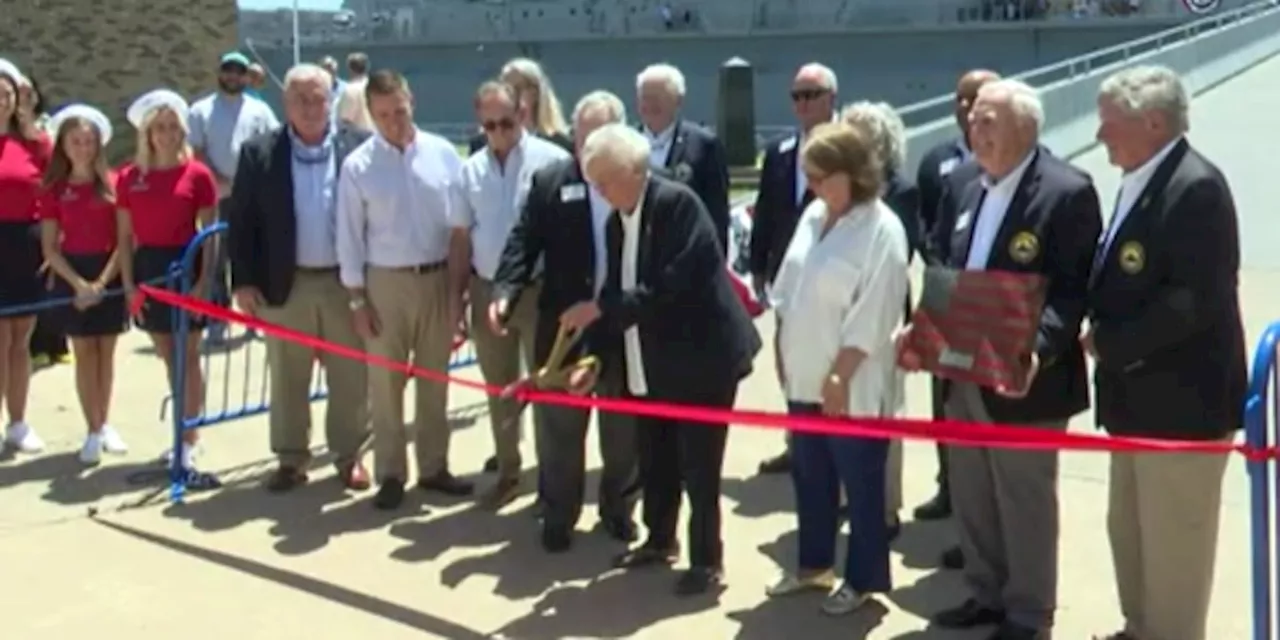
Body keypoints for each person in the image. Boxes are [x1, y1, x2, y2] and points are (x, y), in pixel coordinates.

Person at [897, 79, 1101, 640]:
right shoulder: (963, 185)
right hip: (960, 370)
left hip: (1025, 379)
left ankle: (1029, 614)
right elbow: (944, 274)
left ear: (1025, 129)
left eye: (988, 121)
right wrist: (918, 334)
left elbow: (1072, 291)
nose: (974, 130)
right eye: (973, 120)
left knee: (1023, 498)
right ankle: (986, 593)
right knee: (972, 489)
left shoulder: (1067, 191)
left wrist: (1039, 348)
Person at [562, 123, 762, 595]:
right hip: (649, 358)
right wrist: (592, 357)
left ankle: (707, 560)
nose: (599, 190)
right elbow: (617, 290)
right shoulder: (616, 221)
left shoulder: (678, 206)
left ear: (633, 171)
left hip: (702, 357)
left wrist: (602, 310)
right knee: (655, 456)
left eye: (604, 180)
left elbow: (674, 285)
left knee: (700, 465)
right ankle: (659, 537)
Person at [1086, 65, 1245, 640]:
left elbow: (1193, 302)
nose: (1100, 135)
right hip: (1137, 403)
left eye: (1110, 124)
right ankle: (1139, 629)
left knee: (1174, 549)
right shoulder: (1142, 178)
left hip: (1181, 408)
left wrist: (1108, 343)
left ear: (1153, 122)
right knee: (1130, 534)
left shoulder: (1194, 187)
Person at [764, 121, 907, 615]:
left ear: (854, 173)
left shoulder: (882, 229)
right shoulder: (812, 216)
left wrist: (839, 375)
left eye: (823, 176)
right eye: (810, 176)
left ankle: (864, 578)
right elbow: (786, 290)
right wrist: (784, 354)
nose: (814, 187)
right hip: (803, 376)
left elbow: (877, 314)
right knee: (811, 477)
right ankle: (812, 566)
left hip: (855, 384)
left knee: (862, 484)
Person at [491, 91, 641, 552]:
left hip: (618, 324)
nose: (589, 145)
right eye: (582, 135)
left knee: (622, 431)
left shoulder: (637, 183)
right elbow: (522, 242)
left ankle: (618, 510)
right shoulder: (551, 181)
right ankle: (558, 514)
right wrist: (504, 293)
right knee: (558, 431)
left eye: (599, 135)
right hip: (564, 327)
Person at [226, 63, 374, 494]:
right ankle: (291, 459)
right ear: (285, 103)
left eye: (318, 98)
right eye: (300, 99)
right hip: (284, 283)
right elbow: (243, 222)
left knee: (351, 374)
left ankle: (349, 456)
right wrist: (244, 281)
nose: (310, 107)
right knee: (288, 375)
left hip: (345, 282)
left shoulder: (358, 147)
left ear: (332, 101)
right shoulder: (259, 152)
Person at [337, 69, 471, 510]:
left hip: (436, 278)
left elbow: (459, 227)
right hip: (384, 283)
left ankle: (434, 467)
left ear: (411, 100)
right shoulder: (357, 167)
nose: (393, 121)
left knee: (435, 379)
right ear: (371, 115)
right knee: (385, 383)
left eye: (399, 110)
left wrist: (459, 293)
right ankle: (391, 472)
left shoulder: (443, 155)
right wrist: (356, 299)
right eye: (382, 115)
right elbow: (350, 239)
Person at [446, 80, 571, 507]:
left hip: (538, 292)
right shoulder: (470, 171)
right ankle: (507, 470)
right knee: (498, 387)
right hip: (485, 288)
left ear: (523, 114)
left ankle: (550, 481)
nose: (498, 133)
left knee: (544, 386)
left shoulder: (553, 161)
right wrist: (456, 302)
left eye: (506, 122)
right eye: (489, 125)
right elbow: (460, 239)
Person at [117, 89, 220, 480]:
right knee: (166, 354)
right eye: (158, 128)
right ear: (147, 134)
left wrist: (204, 283)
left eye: (172, 127)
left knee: (188, 356)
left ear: (182, 132)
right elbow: (125, 238)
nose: (166, 134)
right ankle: (181, 430)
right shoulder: (130, 177)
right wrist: (129, 285)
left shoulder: (198, 175)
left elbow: (210, 234)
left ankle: (190, 439)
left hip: (188, 264)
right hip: (150, 269)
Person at [913, 68, 1001, 523]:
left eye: (977, 98)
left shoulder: (1013, 159)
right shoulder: (937, 162)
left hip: (993, 309)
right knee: (945, 402)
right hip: (946, 299)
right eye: (961, 99)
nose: (967, 108)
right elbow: (928, 226)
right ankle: (949, 485)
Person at [749, 62, 839, 475]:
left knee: (834, 365)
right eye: (796, 96)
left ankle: (834, 446)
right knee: (792, 363)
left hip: (837, 278)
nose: (802, 104)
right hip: (790, 277)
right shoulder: (780, 152)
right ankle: (798, 440)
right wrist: (757, 267)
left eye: (811, 95)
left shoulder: (849, 146)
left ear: (830, 98)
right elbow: (765, 212)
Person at [839, 100, 921, 536]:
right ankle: (850, 498)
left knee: (884, 411)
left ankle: (885, 507)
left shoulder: (901, 192)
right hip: (838, 315)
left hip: (884, 314)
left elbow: (900, 256)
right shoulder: (837, 191)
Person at [38, 105, 130, 464]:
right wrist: (79, 284)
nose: (83, 147)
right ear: (63, 145)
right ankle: (90, 429)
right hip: (71, 274)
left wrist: (103, 282)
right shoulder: (54, 190)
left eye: (89, 141)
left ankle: (105, 422)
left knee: (106, 355)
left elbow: (125, 239)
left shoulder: (113, 184)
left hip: (108, 273)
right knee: (83, 355)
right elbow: (49, 247)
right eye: (76, 141)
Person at [187, 51, 280, 345]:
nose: (233, 76)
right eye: (228, 70)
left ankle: (257, 318)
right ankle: (217, 317)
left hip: (253, 196)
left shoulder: (259, 110)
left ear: (245, 76)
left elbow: (273, 145)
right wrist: (220, 178)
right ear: (219, 73)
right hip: (218, 194)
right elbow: (196, 149)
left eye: (238, 71)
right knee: (216, 257)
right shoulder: (201, 110)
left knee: (255, 256)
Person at [0, 63, 51, 453]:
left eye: (6, 95)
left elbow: (52, 194)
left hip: (25, 246)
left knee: (21, 340)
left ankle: (17, 423)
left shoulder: (36, 143)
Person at [634, 63, 731, 252]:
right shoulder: (625, 142)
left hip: (685, 253)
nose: (650, 104)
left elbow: (717, 212)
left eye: (658, 97)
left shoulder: (704, 145)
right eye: (645, 97)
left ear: (678, 100)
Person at [25, 76, 71, 368]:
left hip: (47, 216)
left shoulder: (46, 129)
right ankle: (36, 346)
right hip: (21, 220)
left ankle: (57, 342)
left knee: (52, 280)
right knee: (29, 283)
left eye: (29, 93)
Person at [469, 58, 572, 154]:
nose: (510, 94)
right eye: (505, 88)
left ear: (535, 92)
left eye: (517, 88)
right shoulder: (481, 144)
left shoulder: (560, 145)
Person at [334, 52, 372, 132]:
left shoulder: (351, 90)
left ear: (350, 69)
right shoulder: (374, 87)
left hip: (357, 137)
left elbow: (345, 118)